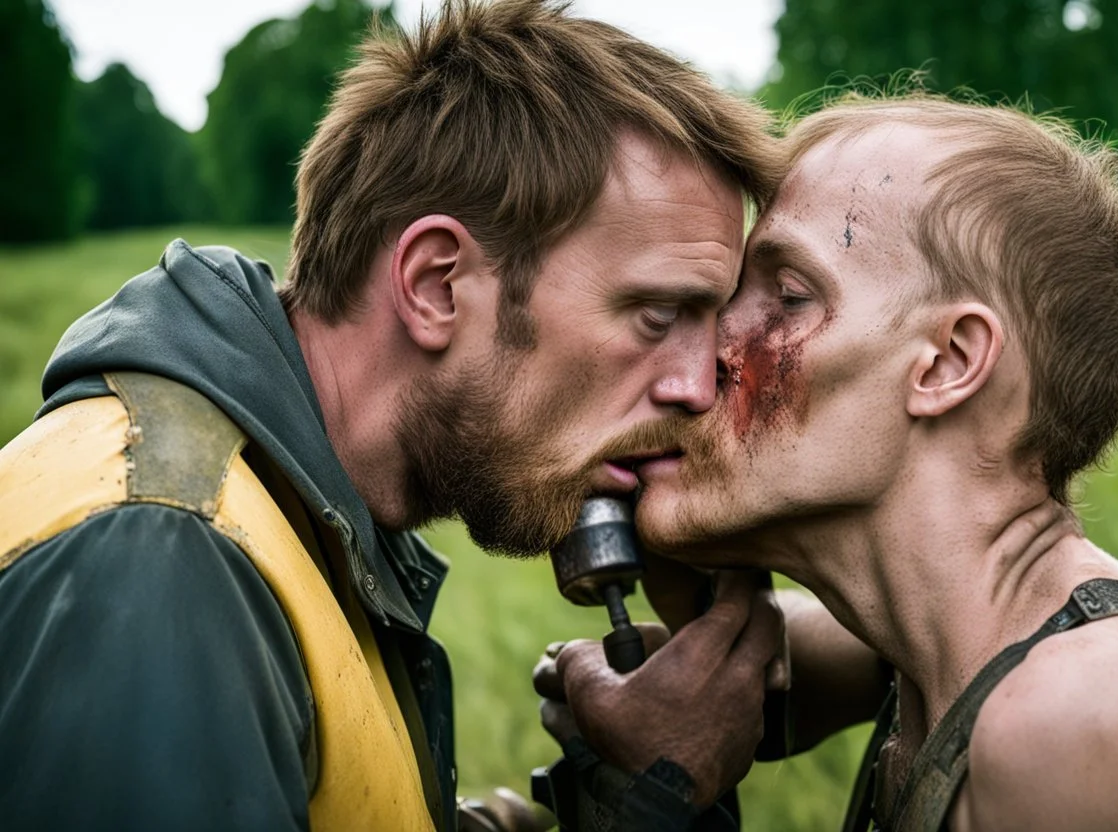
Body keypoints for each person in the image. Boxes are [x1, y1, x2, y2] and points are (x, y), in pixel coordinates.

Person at [0, 1, 786, 829]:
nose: (699, 388)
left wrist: (616, 789)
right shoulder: (160, 556)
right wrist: (663, 796)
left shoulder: (294, 511)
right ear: (435, 285)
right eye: (658, 317)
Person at [547, 94, 1118, 831]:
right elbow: (766, 665)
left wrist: (662, 797)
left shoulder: (1098, 711)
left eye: (788, 297)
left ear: (948, 363)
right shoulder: (931, 655)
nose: (704, 349)